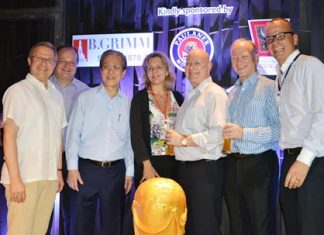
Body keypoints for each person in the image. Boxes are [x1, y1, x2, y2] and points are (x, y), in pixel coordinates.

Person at [265, 18, 324, 235]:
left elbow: (322, 114)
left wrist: (304, 160)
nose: (274, 43)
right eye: (269, 39)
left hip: (312, 160)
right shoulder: (280, 75)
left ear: (295, 38)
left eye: (280, 36)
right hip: (290, 159)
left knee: (311, 226)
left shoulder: (309, 65)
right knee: (293, 225)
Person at [66, 49, 134, 235]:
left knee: (113, 225)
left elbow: (128, 141)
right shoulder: (85, 98)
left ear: (123, 73)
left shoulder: (128, 104)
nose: (111, 72)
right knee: (80, 224)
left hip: (115, 172)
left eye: (116, 68)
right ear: (100, 71)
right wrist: (72, 169)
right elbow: (73, 136)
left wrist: (129, 172)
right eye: (106, 67)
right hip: (85, 170)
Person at [1, 41, 66, 235]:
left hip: (48, 177)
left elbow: (57, 136)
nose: (44, 63)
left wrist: (59, 171)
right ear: (30, 61)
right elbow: (9, 136)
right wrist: (15, 180)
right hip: (24, 177)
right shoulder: (17, 91)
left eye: (49, 60)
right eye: (39, 58)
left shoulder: (56, 96)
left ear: (55, 64)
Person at [166, 49, 228, 235]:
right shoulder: (192, 95)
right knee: (192, 228)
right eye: (189, 64)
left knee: (205, 228)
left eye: (198, 63)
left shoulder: (214, 94)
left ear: (209, 67)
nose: (192, 68)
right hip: (188, 171)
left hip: (205, 173)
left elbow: (218, 135)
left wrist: (184, 141)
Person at [223, 38, 280, 235]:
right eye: (234, 58)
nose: (239, 62)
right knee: (237, 227)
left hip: (260, 166)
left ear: (256, 58)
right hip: (232, 166)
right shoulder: (230, 93)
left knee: (262, 226)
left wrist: (243, 133)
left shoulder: (270, 88)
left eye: (244, 57)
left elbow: (279, 131)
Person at [49, 45, 88, 235]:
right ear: (55, 62)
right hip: (46, 158)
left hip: (73, 160)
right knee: (43, 211)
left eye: (72, 62)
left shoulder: (85, 92)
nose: (67, 66)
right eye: (63, 61)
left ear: (77, 65)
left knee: (72, 212)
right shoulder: (43, 86)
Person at [130, 52, 183, 188]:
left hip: (177, 164)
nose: (154, 71)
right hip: (149, 166)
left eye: (158, 67)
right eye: (150, 68)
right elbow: (136, 136)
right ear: (146, 73)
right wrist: (146, 165)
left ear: (166, 71)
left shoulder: (178, 97)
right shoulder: (139, 99)